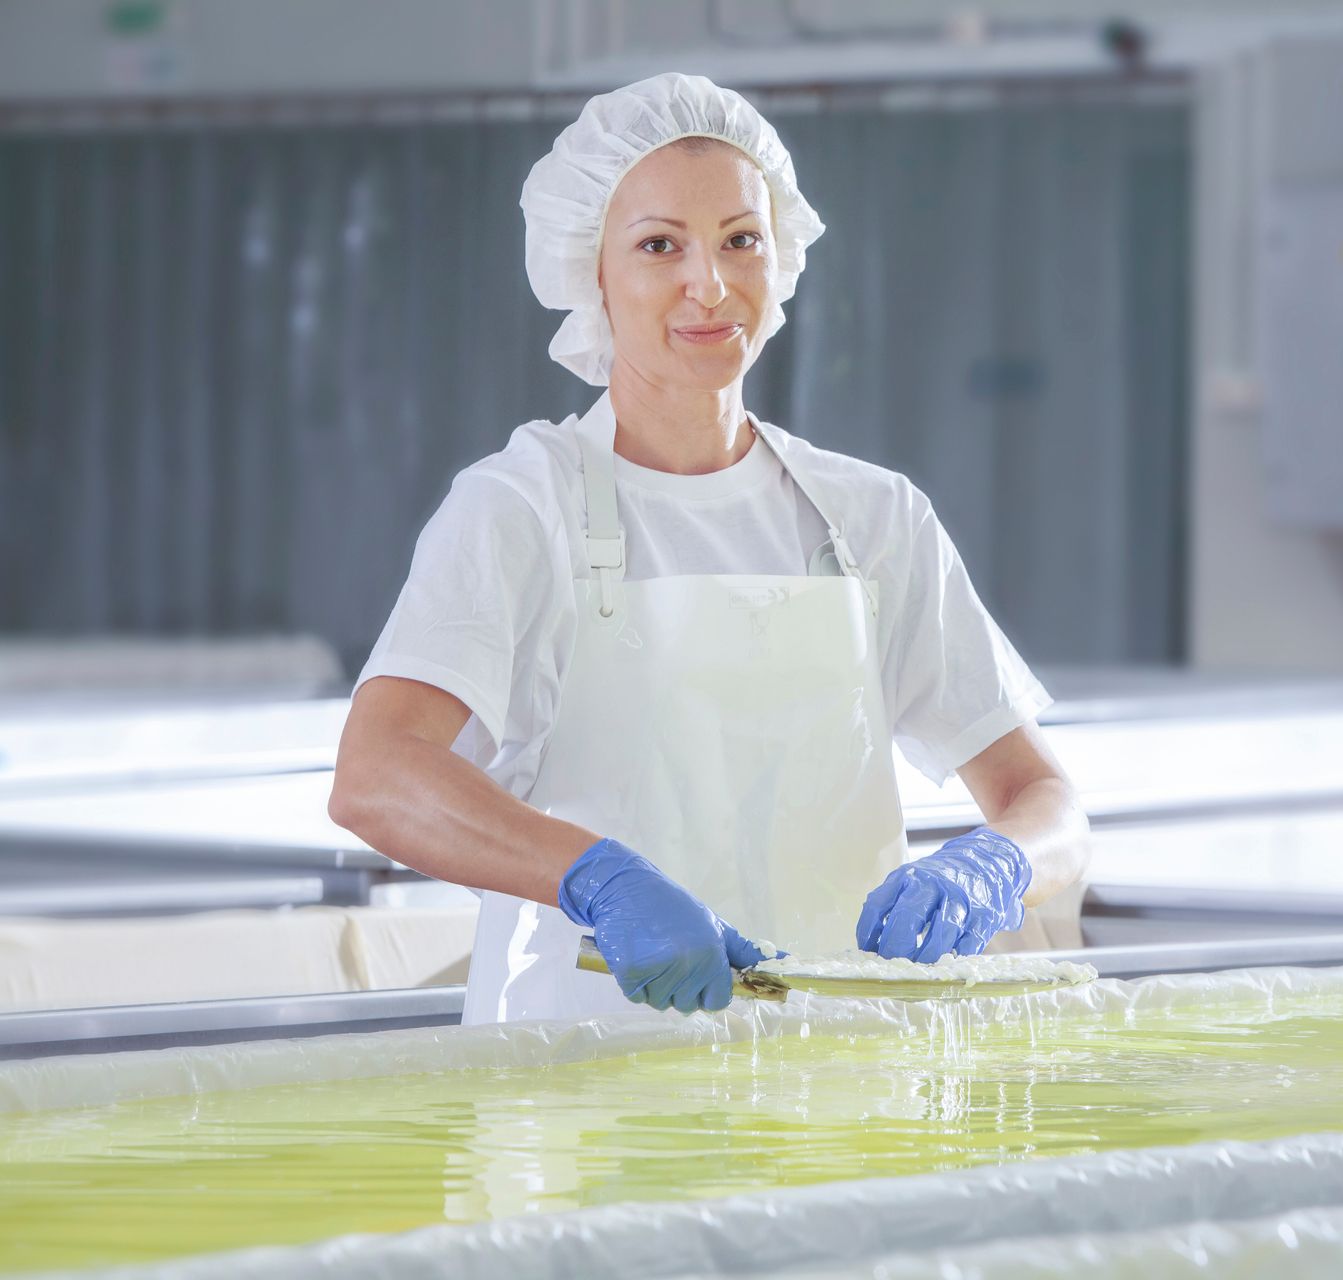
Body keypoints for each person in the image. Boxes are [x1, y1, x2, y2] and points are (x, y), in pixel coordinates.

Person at [328, 73, 1090, 1025]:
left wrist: (998, 864)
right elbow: (377, 776)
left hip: (833, 1089)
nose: (710, 285)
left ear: (783, 260)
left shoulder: (869, 517)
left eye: (741, 241)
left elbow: (1047, 802)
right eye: (659, 246)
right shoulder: (521, 505)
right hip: (579, 1092)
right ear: (590, 272)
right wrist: (594, 878)